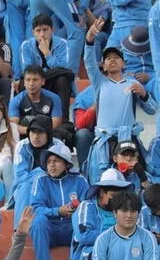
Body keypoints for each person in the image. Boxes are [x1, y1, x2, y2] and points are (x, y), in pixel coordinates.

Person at [83, 17, 157, 185]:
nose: (112, 60)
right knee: (101, 180)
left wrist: (144, 94)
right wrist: (89, 39)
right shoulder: (99, 82)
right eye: (108, 58)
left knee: (134, 181)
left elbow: (152, 110)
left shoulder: (133, 84)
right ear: (104, 65)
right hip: (104, 142)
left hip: (127, 140)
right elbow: (88, 62)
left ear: (123, 63)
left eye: (117, 57)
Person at [30, 145, 89, 260]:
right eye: (49, 162)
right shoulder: (40, 180)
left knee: (82, 223)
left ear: (67, 164)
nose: (52, 165)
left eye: (56, 161)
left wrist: (77, 210)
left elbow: (88, 206)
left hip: (71, 228)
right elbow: (36, 209)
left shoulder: (80, 180)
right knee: (38, 221)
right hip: (50, 229)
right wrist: (58, 211)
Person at [71, 169, 134, 260]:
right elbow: (84, 236)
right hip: (90, 253)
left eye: (121, 196)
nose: (118, 200)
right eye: (113, 196)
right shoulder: (86, 206)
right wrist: (118, 235)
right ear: (101, 193)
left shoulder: (127, 209)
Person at [11, 116, 63, 229]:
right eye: (32, 132)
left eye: (40, 133)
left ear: (48, 134)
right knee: (25, 187)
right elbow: (20, 177)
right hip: (27, 189)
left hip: (51, 187)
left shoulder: (58, 146)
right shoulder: (22, 146)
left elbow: (60, 173)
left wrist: (40, 176)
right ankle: (19, 231)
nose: (35, 137)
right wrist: (42, 171)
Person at [20, 14, 74, 122]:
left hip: (54, 82)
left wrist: (47, 54)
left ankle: (63, 120)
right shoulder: (26, 45)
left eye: (45, 30)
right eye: (38, 31)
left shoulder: (62, 44)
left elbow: (64, 67)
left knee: (62, 80)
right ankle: (27, 118)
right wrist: (44, 74)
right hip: (36, 81)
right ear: (33, 33)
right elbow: (27, 70)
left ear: (52, 30)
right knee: (24, 81)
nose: (42, 34)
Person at [29, 0, 86, 75]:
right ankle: (70, 74)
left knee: (38, 33)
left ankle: (34, 74)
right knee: (77, 30)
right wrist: (81, 10)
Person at [8, 65, 67, 143]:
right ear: (24, 82)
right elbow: (13, 125)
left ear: (42, 81)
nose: (31, 83)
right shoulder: (16, 101)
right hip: (25, 135)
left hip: (47, 134)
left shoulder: (54, 98)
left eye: (35, 80)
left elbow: (56, 123)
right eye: (28, 80)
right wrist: (32, 131)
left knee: (58, 134)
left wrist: (39, 132)